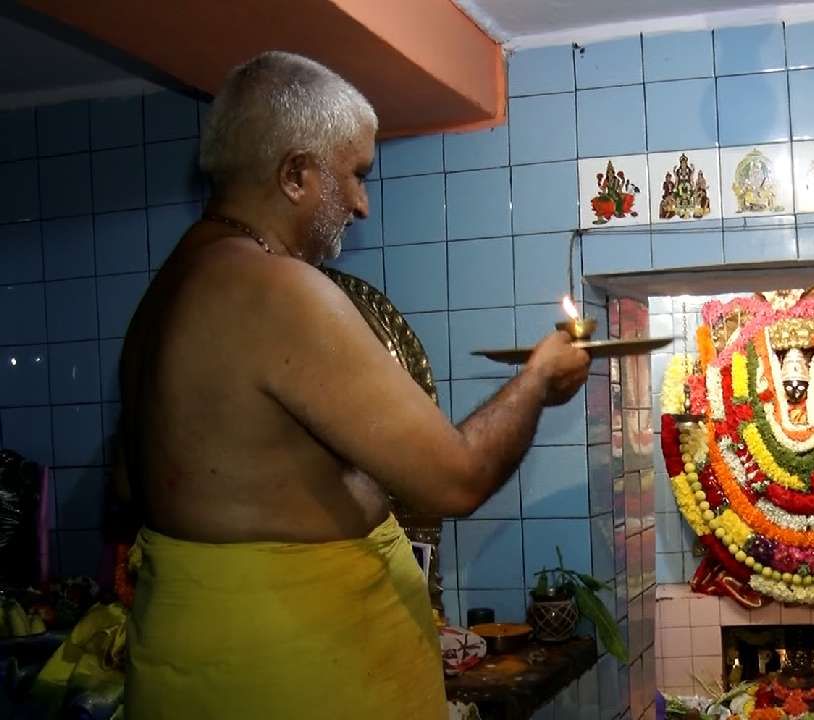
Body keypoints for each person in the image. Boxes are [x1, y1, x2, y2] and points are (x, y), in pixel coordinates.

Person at [115, 51, 590, 719]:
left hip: (206, 659)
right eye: (357, 175)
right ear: (295, 174)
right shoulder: (274, 290)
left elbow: (138, 486)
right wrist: (538, 379)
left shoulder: (167, 291)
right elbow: (455, 480)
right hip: (289, 676)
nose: (363, 205)